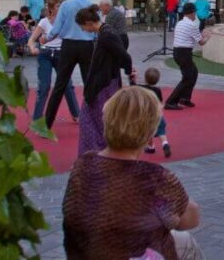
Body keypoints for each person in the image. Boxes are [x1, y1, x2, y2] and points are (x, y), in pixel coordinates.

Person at [63, 86, 202, 260]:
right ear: (149, 131)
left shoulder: (83, 164)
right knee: (185, 241)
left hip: (86, 253)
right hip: (126, 254)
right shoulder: (154, 177)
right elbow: (191, 218)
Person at [75, 4, 135, 155]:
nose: (83, 30)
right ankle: (97, 154)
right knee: (96, 120)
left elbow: (124, 56)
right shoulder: (105, 32)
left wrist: (129, 71)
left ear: (89, 23)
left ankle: (96, 155)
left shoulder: (106, 34)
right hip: (104, 82)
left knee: (93, 120)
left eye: (83, 27)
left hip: (104, 84)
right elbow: (120, 56)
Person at [43, 0, 96, 130]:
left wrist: (46, 38)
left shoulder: (66, 4)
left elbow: (57, 28)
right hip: (87, 45)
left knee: (60, 84)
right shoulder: (92, 6)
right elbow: (96, 28)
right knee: (89, 84)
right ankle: (92, 122)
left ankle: (47, 124)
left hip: (68, 45)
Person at [28, 0, 79, 124]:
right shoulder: (44, 22)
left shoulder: (66, 21)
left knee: (67, 85)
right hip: (45, 54)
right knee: (44, 87)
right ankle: (37, 118)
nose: (61, 8)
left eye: (61, 6)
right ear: (51, 8)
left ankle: (76, 114)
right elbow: (32, 39)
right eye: (58, 6)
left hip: (61, 54)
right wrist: (32, 47)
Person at [165, 3, 206, 110]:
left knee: (194, 73)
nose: (195, 15)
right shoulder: (192, 25)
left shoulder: (180, 23)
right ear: (191, 13)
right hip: (184, 53)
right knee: (187, 78)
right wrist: (208, 36)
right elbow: (201, 42)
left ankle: (185, 98)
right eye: (194, 12)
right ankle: (170, 102)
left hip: (179, 52)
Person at [141, 67, 171, 158]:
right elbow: (160, 102)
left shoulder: (142, 88)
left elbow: (134, 87)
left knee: (149, 132)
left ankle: (151, 147)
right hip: (158, 115)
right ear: (157, 80)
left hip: (148, 116)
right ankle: (165, 143)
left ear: (145, 78)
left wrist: (132, 78)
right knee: (161, 131)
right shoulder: (157, 90)